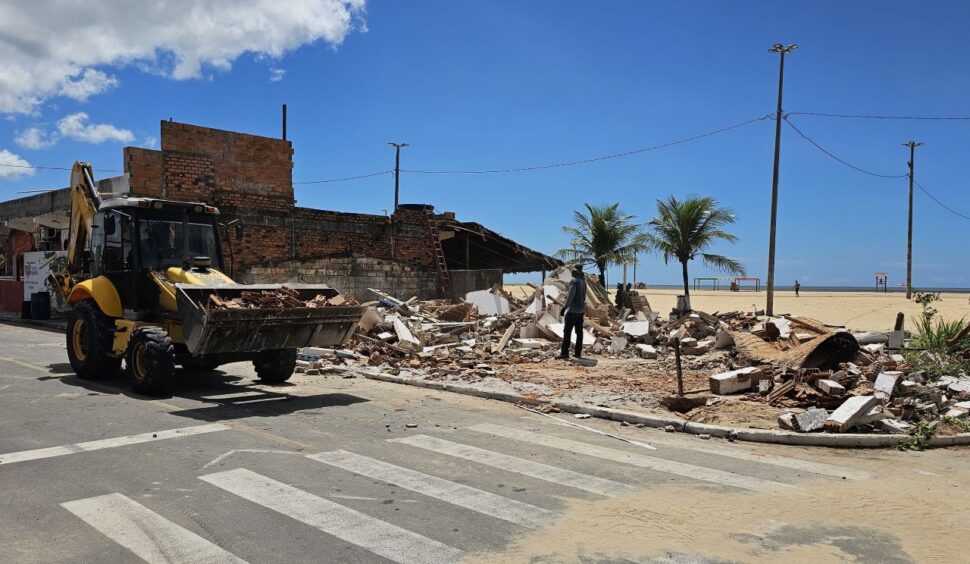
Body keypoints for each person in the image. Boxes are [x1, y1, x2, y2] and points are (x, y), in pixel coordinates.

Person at [557, 265, 587, 360]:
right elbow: (584, 297)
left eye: (572, 271)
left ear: (575, 272)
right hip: (581, 310)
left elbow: (571, 295)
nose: (571, 273)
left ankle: (564, 353)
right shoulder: (583, 282)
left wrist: (564, 307)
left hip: (572, 311)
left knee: (567, 332)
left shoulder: (573, 280)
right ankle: (578, 353)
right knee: (579, 332)